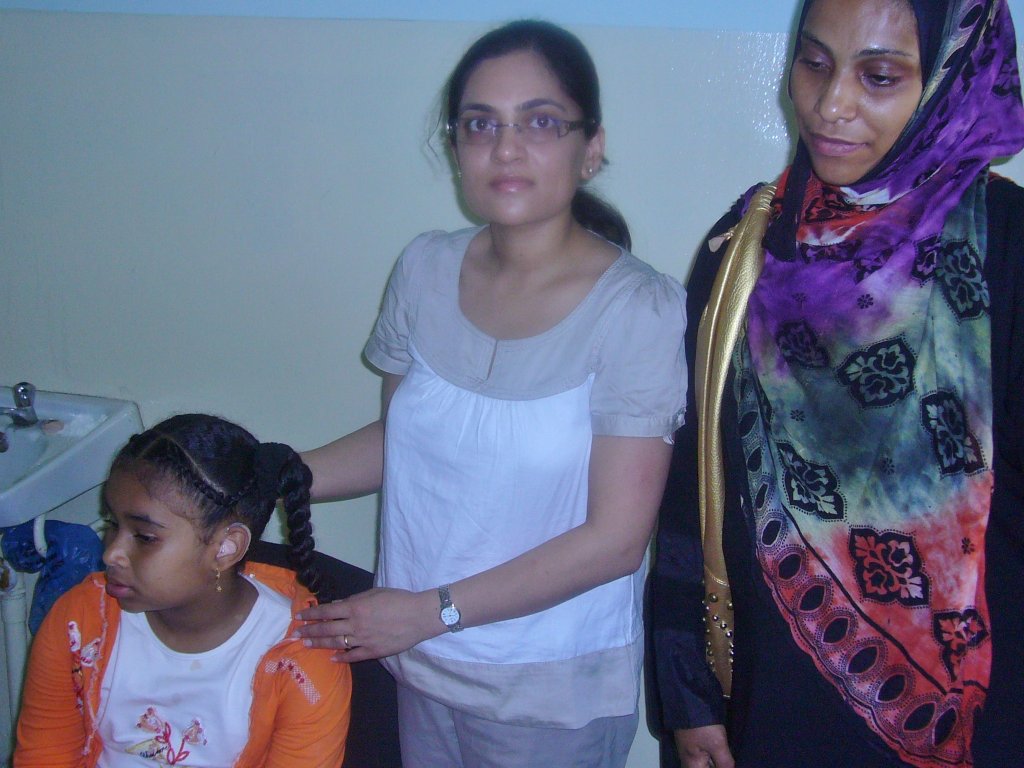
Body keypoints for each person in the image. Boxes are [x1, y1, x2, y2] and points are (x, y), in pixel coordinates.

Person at [295, 19, 687, 768]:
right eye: (482, 125)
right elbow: (401, 445)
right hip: (417, 661)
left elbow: (616, 540)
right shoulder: (423, 270)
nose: (506, 149)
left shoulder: (637, 309)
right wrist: (270, 472)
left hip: (545, 693)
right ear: (455, 146)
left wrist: (427, 612)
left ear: (591, 146)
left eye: (540, 123)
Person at [647, 0, 1024, 766]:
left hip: (982, 711)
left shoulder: (1008, 250)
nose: (829, 105)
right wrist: (690, 693)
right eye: (813, 63)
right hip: (769, 700)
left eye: (879, 76)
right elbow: (694, 490)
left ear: (950, 80)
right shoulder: (751, 244)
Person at [15, 414, 351, 768]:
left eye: (144, 537)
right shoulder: (79, 621)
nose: (110, 552)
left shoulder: (301, 657)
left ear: (225, 548)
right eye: (113, 524)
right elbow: (44, 754)